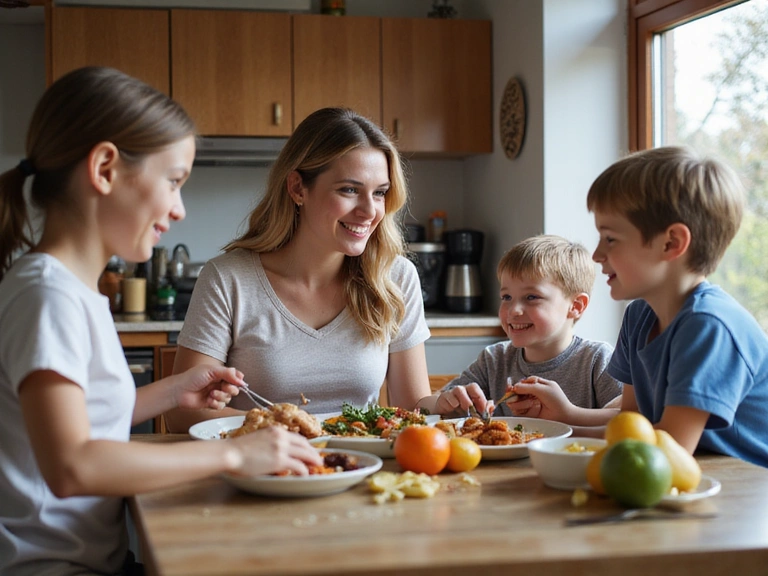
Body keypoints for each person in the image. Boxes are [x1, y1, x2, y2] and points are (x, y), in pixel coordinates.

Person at [0, 66, 322, 576]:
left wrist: (173, 392)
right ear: (105, 168)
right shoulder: (48, 296)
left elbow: (85, 419)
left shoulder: (73, 290)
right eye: (173, 182)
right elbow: (71, 465)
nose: (178, 210)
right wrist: (233, 457)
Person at [164, 107, 432, 433]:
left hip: (359, 473)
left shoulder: (394, 278)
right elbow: (181, 414)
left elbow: (413, 408)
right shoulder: (228, 280)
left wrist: (446, 405)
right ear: (297, 188)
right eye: (349, 190)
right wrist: (290, 429)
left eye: (379, 193)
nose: (369, 211)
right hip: (261, 474)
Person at [537, 147, 768, 467]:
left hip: (746, 492)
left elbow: (669, 449)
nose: (596, 254)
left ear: (671, 243)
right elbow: (631, 427)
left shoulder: (709, 326)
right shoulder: (639, 316)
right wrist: (551, 434)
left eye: (610, 239)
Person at [417, 235, 622, 420]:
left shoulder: (597, 359)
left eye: (531, 297)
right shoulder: (494, 360)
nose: (513, 310)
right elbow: (425, 405)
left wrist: (568, 412)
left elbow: (626, 418)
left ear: (575, 306)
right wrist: (445, 403)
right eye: (506, 297)